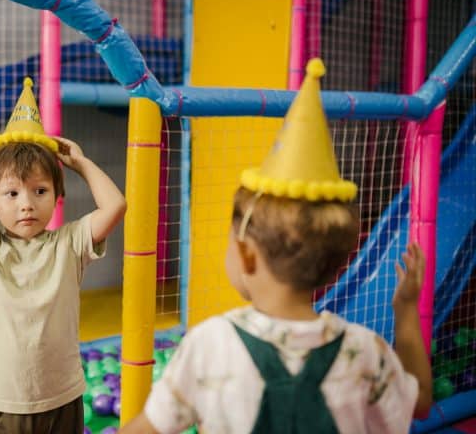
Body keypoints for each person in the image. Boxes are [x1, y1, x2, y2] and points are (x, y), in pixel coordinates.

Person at [119, 59, 432, 434]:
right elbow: (421, 403)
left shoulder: (210, 344)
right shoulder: (366, 351)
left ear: (247, 255)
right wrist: (406, 310)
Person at [0, 78, 126, 434]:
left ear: (57, 196)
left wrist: (80, 163)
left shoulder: (69, 243)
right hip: (5, 399)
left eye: (40, 190)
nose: (27, 204)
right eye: (12, 193)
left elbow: (115, 206)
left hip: (63, 395)